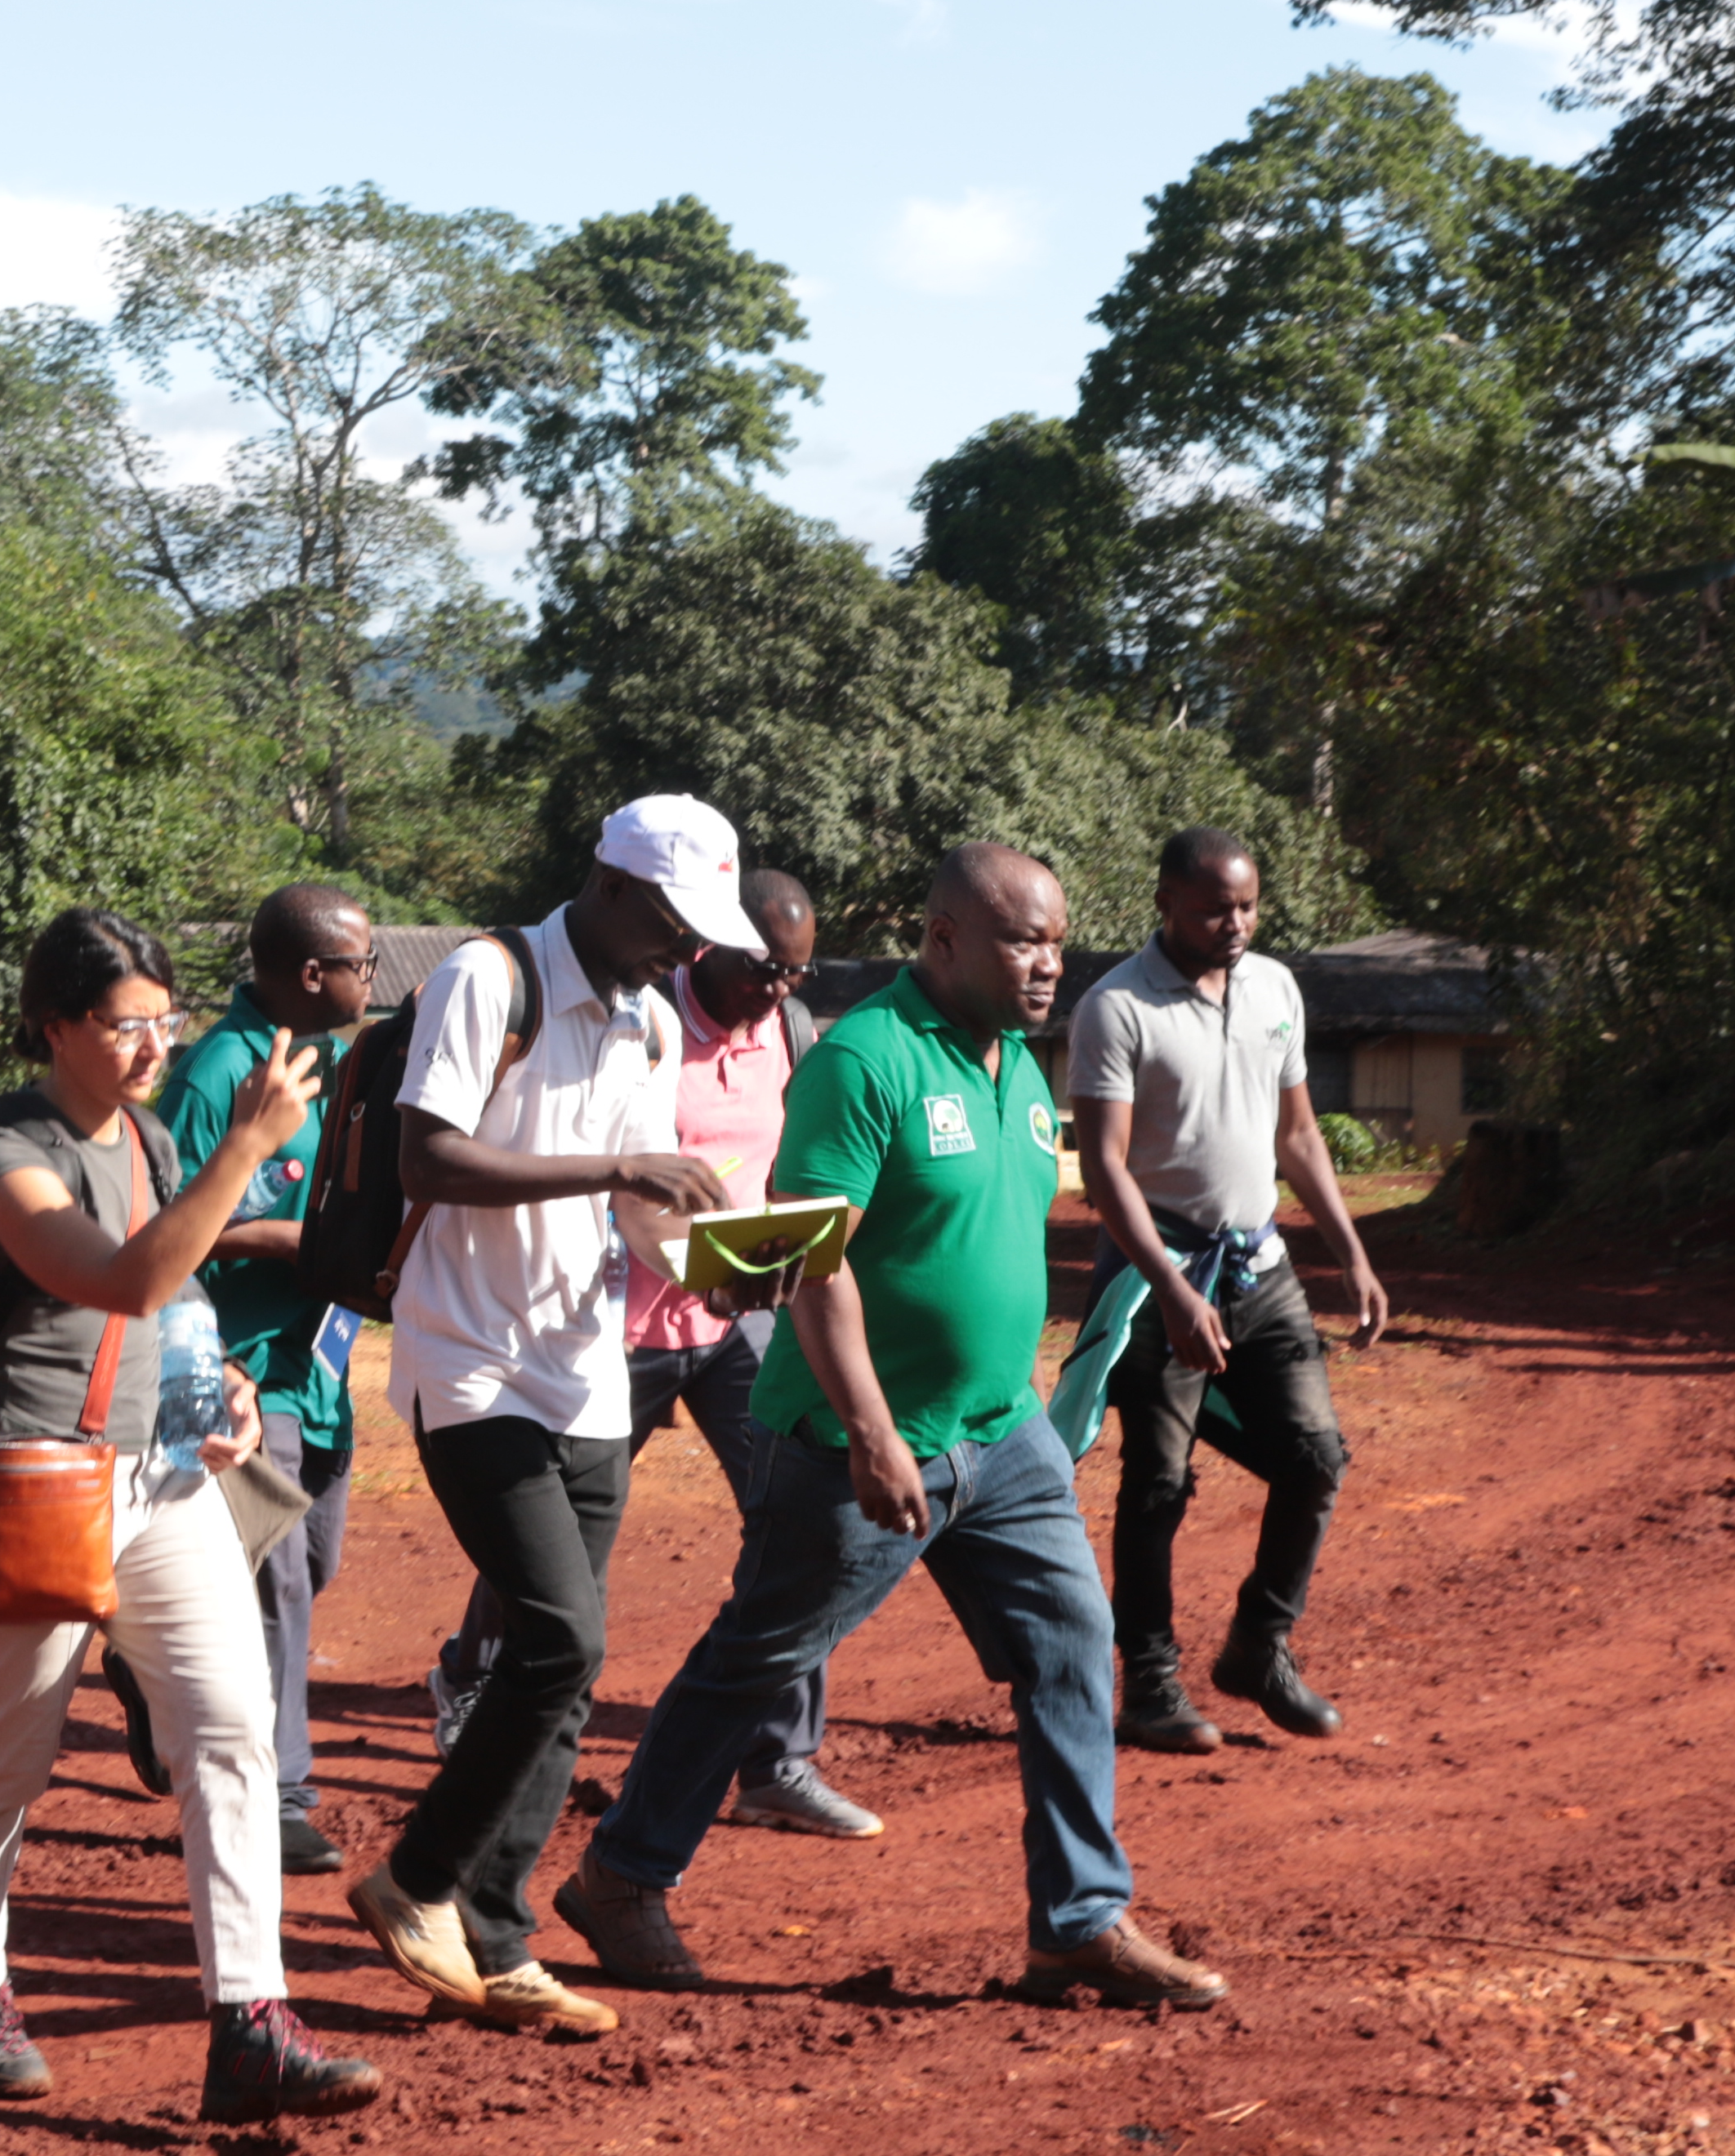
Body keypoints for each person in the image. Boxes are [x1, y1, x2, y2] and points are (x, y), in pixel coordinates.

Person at [565, 845, 1228, 2012]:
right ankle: (622, 1875)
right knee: (760, 1659)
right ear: (944, 940)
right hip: (851, 1439)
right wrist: (873, 1432)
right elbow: (815, 1258)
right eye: (1022, 939)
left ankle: (1077, 1921)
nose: (1047, 964)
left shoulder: (1020, 1068)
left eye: (1057, 941)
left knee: (1072, 1644)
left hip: (1002, 1433)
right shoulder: (866, 1060)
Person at [0, 907, 385, 2127]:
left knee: (231, 1730)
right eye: (129, 1026)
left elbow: (173, 1309)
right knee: (1, 1759)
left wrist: (220, 1387)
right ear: (57, 1023)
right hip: (32, 1481)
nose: (153, 1048)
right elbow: (119, 1275)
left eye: (165, 1024)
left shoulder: (149, 1137)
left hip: (162, 1481)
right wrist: (252, 1146)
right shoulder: (0, 1155)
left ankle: (252, 2022)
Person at [341, 796, 745, 2038]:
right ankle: (412, 1882)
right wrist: (619, 1170)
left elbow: (639, 1212)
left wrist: (725, 1267)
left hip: (583, 1366)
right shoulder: (485, 977)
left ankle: (497, 1934)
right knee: (560, 1637)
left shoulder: (648, 1016)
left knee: (561, 1669)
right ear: (611, 884)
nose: (686, 952)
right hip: (469, 1362)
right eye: (673, 923)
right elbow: (429, 1161)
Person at [421, 870, 881, 1842]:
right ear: (709, 945)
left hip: (722, 1321)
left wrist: (740, 1272)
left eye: (796, 975)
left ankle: (777, 1761)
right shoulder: (634, 1013)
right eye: (764, 968)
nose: (779, 990)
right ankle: (472, 1677)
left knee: (797, 1513)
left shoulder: (784, 1039)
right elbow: (617, 1180)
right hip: (607, 1327)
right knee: (545, 1554)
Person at [1068, 826, 1387, 1754]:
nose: (1234, 923)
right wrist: (1168, 1288)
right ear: (1164, 900)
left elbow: (1298, 1138)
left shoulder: (1276, 988)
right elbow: (1107, 1169)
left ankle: (1259, 1645)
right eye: (1214, 908)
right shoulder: (1116, 1008)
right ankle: (1151, 1687)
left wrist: (1352, 1256)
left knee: (1315, 1458)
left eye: (1247, 906)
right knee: (1158, 1484)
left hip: (1261, 1267)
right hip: (1153, 1275)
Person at [142, 880, 374, 1878]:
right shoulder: (220, 1075)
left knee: (308, 1566)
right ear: (313, 973)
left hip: (320, 1364)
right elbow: (169, 1232)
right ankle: (279, 1796)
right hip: (241, 1371)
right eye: (363, 963)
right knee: (278, 1582)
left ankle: (141, 1662)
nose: (376, 978)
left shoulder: (331, 1065)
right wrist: (280, 1241)